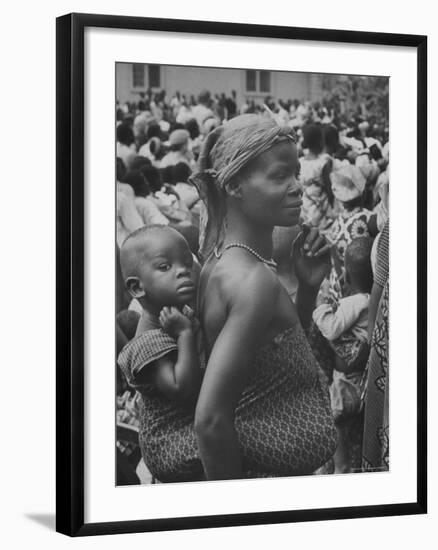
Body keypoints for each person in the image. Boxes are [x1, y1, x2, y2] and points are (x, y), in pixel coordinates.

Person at [192, 114, 337, 480]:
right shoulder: (252, 280)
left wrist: (306, 290)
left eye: (296, 174)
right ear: (235, 185)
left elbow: (272, 364)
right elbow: (210, 421)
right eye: (279, 177)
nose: (298, 188)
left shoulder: (222, 262)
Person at [117, 225, 204, 482]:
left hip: (187, 428)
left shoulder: (177, 313)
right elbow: (180, 388)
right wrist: (185, 335)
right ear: (137, 288)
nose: (183, 272)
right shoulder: (149, 340)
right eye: (165, 267)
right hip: (172, 445)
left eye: (187, 263)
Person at [313, 237, 373, 473]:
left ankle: (341, 466)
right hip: (361, 381)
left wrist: (321, 307)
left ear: (347, 278)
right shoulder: (369, 301)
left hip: (345, 383)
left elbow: (331, 328)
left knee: (334, 420)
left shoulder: (355, 302)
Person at [324, 164, 376, 303]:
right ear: (363, 192)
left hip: (339, 283)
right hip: (361, 283)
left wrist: (341, 276)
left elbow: (333, 254)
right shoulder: (370, 218)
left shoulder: (336, 223)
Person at [299, 124, 334, 232]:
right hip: (321, 212)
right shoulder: (322, 164)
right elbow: (330, 190)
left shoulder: (300, 162)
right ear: (320, 141)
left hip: (304, 210)